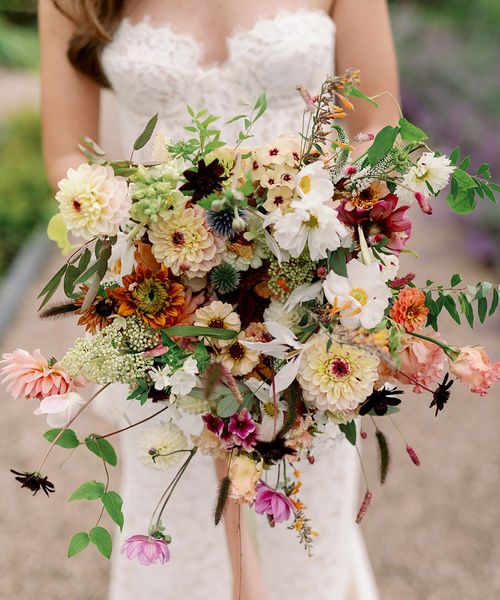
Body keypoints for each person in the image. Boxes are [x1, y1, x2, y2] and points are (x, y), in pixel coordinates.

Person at [39, 1, 400, 598]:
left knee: (304, 529)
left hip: (308, 308)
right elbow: (67, 158)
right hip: (161, 308)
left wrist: (297, 243)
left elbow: (377, 134)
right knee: (177, 526)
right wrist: (163, 246)